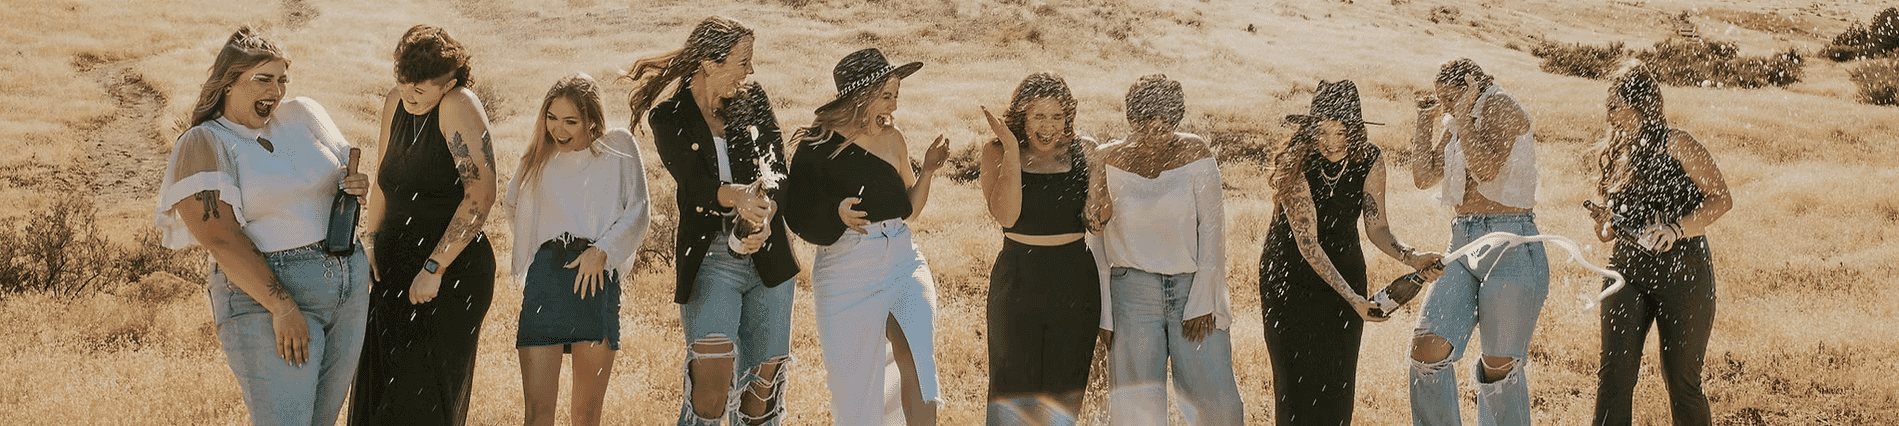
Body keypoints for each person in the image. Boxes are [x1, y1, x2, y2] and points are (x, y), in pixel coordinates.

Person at [154, 26, 370, 426]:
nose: (277, 90)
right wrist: (282, 306)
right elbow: (219, 238)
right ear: (229, 82)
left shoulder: (304, 114)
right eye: (263, 79)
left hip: (349, 289)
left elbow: (343, 179)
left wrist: (357, 186)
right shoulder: (206, 141)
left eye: (282, 79)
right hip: (267, 300)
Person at [624, 16, 800, 426]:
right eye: (743, 61)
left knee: (762, 392)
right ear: (708, 62)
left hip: (768, 252)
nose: (750, 71)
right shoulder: (668, 117)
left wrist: (767, 212)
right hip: (711, 257)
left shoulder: (752, 100)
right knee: (711, 392)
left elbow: (777, 168)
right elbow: (696, 184)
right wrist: (738, 198)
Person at [1258, 80, 1444, 426]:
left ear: (1355, 130)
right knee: (1296, 387)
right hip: (1290, 276)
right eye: (1322, 132)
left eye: (1340, 132)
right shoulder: (1296, 160)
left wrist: (1413, 257)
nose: (1330, 142)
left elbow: (1377, 227)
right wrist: (1353, 299)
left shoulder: (1370, 159)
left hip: (1345, 266)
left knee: (1337, 383)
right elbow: (1307, 243)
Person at [783, 48, 951, 426]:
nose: (895, 103)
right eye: (888, 94)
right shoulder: (815, 146)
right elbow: (797, 215)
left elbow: (909, 209)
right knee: (854, 389)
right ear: (862, 95)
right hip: (846, 268)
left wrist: (928, 170)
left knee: (916, 355)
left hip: (903, 258)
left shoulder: (894, 139)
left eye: (896, 93)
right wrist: (835, 213)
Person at [351, 24, 498, 426]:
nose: (409, 94)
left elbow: (481, 194)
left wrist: (435, 267)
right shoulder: (393, 103)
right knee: (379, 393)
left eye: (422, 87)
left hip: (447, 274)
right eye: (403, 82)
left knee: (420, 400)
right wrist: (370, 243)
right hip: (393, 266)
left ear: (449, 82)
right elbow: (383, 181)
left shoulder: (458, 104)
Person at [1087, 74, 1243, 426]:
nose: (1159, 135)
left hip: (1192, 288)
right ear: (1133, 120)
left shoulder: (1195, 151)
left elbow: (1213, 229)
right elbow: (1095, 239)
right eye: (1148, 126)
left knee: (1216, 404)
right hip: (1130, 293)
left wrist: (1205, 298)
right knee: (1134, 410)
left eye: (1168, 125)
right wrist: (1105, 313)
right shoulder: (1105, 160)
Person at [1405, 58, 1548, 426]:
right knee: (1427, 350)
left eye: (1450, 97)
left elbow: (1486, 169)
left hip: (1510, 242)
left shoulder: (1501, 106)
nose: (1447, 106)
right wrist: (1424, 123)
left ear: (1473, 85)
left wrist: (1463, 116)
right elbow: (1424, 176)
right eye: (1442, 100)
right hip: (1463, 242)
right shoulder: (1458, 118)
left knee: (1498, 366)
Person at [1586, 65, 1731, 426]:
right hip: (1626, 272)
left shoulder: (1677, 142)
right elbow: (1613, 229)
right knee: (1614, 379)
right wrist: (1606, 224)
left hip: (1684, 274)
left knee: (1682, 382)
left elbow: (1721, 198)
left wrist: (1678, 228)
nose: (1610, 115)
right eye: (1608, 105)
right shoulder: (1619, 151)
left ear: (1640, 105)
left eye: (1616, 105)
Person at [504, 73, 651, 426]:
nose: (559, 129)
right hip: (547, 281)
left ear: (592, 119)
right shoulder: (537, 157)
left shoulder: (618, 146)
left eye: (571, 121)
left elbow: (639, 209)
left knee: (586, 415)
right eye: (551, 118)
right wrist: (542, 247)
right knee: (537, 415)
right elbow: (513, 205)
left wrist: (602, 251)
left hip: (596, 277)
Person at [976, 72, 1102, 425]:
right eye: (1038, 116)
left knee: (1063, 392)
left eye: (1056, 116)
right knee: (1012, 390)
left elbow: (1099, 219)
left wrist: (1099, 189)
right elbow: (1007, 215)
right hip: (1017, 277)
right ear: (1022, 117)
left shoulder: (1085, 150)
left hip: (1075, 277)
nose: (1048, 127)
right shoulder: (998, 150)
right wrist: (1014, 150)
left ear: (1068, 117)